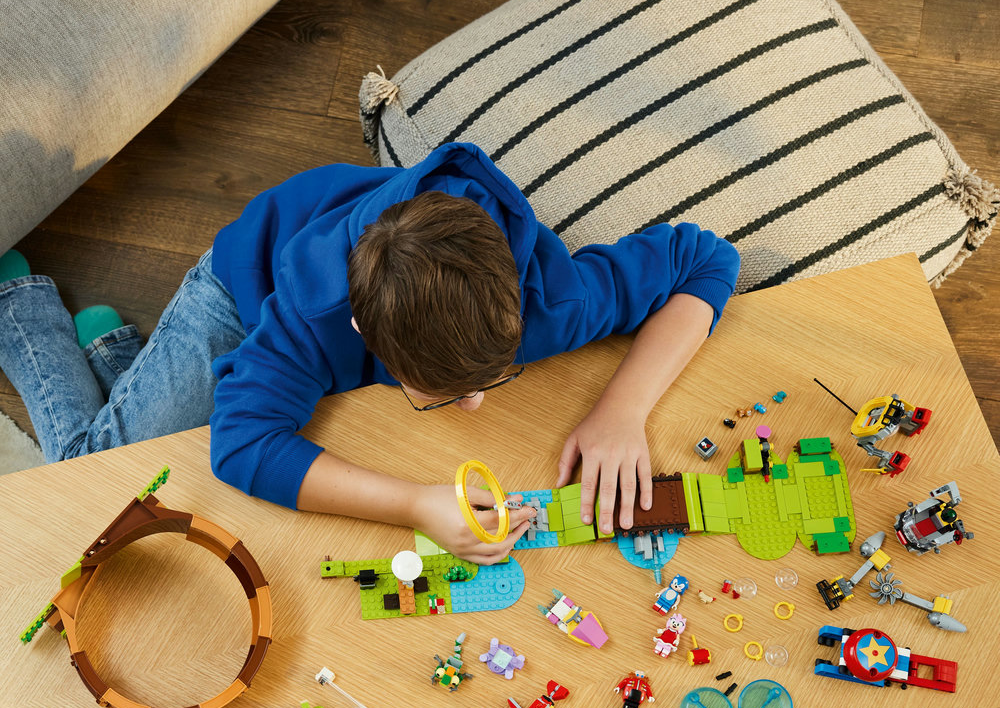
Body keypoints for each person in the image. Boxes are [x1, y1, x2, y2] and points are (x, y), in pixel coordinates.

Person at [0, 142, 739, 562]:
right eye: (443, 393)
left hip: (374, 271)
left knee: (142, 445)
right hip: (244, 289)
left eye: (495, 374)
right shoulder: (311, 318)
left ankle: (119, 359)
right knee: (88, 487)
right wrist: (414, 504)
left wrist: (623, 409)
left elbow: (708, 261)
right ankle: (21, 309)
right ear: (360, 336)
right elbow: (241, 444)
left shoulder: (554, 301)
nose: (475, 404)